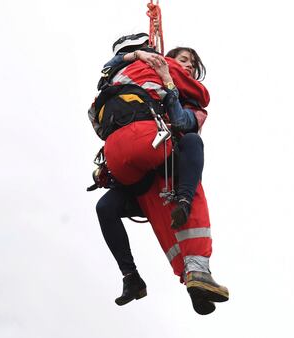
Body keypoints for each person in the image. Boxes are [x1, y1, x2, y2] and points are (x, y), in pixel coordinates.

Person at [89, 33, 228, 315]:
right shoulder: (149, 68)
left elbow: (183, 121)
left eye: (192, 64)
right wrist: (146, 62)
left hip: (154, 157)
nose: (187, 66)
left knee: (191, 142)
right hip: (148, 156)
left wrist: (168, 86)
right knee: (106, 207)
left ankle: (194, 282)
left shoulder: (188, 104)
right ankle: (131, 277)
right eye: (183, 60)